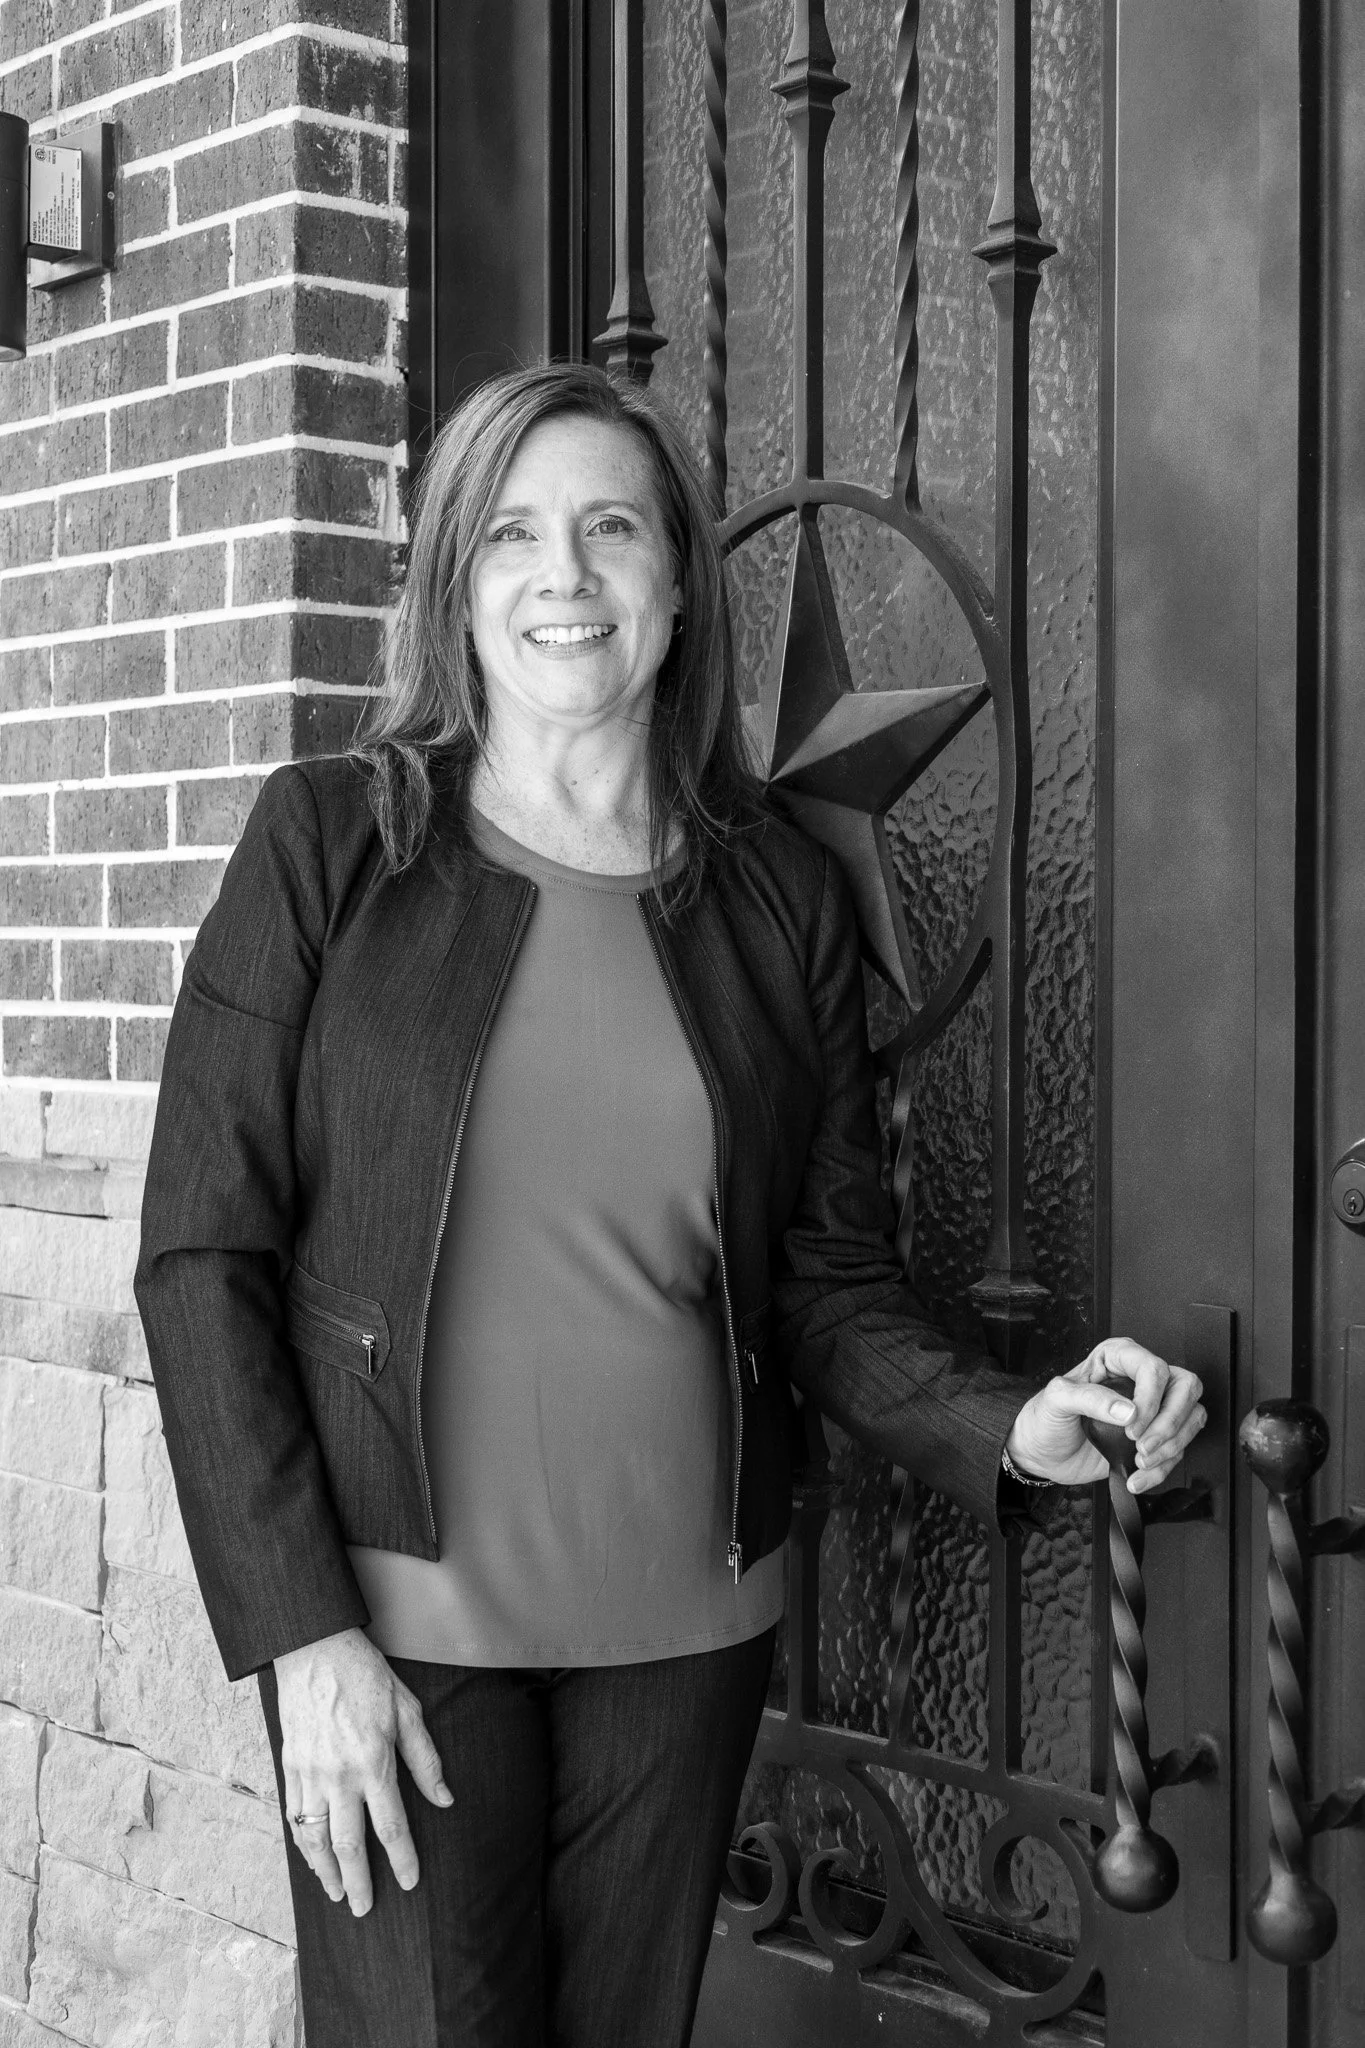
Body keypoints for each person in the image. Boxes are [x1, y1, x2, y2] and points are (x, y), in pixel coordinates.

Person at [135, 361, 1205, 2048]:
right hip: (401, 1649)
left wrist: (1010, 1424)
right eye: (512, 535)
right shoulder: (331, 847)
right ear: (454, 586)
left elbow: (825, 1279)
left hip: (683, 1644)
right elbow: (203, 1257)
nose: (563, 576)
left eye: (610, 528)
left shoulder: (774, 893)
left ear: (678, 581)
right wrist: (302, 1639)